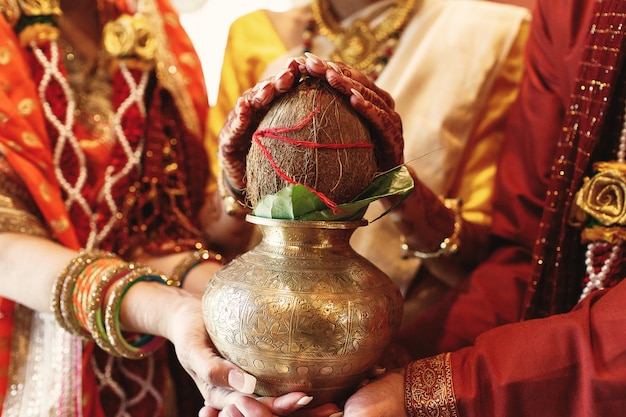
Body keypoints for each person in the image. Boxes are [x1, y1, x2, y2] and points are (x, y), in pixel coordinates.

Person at [290, 0, 626, 415]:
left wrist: (427, 389)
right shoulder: (572, 12)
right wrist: (371, 372)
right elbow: (526, 257)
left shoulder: (492, 31)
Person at [0, 0, 320, 415]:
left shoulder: (152, 23)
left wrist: (243, 310)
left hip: (154, 370)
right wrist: (169, 311)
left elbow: (163, 230)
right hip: (27, 358)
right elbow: (7, 252)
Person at [207, 0, 531, 323]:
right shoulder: (252, 33)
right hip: (254, 318)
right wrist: (236, 178)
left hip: (407, 334)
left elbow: (484, 263)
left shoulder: (489, 36)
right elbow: (213, 239)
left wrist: (396, 180)